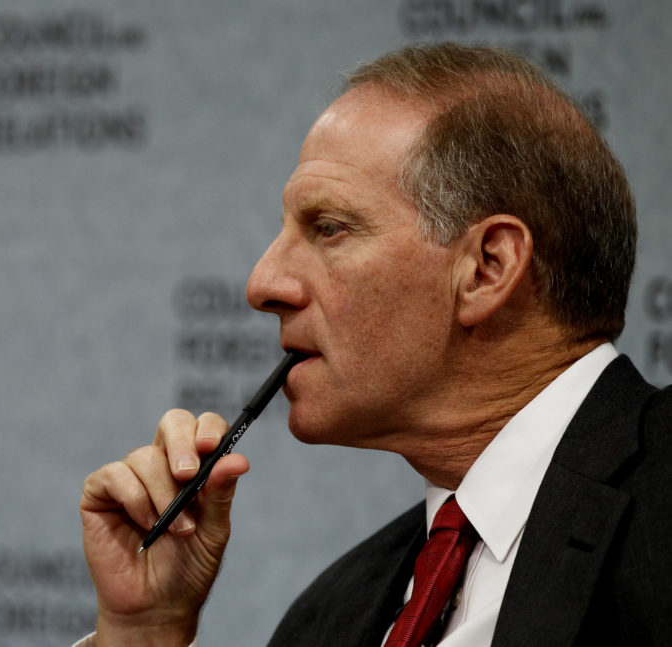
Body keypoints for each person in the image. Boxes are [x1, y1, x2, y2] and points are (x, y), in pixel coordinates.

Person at [76, 43, 672, 646]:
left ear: (488, 269)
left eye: (329, 229)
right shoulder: (332, 615)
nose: (262, 285)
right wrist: (144, 633)